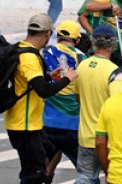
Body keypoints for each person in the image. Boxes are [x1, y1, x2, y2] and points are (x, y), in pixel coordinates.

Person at [6, 14, 79, 184]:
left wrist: (47, 75)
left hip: (28, 123)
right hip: (25, 125)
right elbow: (44, 91)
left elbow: (28, 80)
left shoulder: (20, 48)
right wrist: (67, 78)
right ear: (46, 34)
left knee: (42, 161)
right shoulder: (30, 57)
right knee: (33, 174)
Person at [74, 24, 122, 184]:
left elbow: (78, 98)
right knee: (114, 178)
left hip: (85, 136)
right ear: (113, 44)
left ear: (93, 43)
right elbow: (117, 108)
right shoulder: (114, 71)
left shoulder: (82, 65)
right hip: (108, 138)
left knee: (85, 177)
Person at [42, 20, 86, 175]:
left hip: (47, 121)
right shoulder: (82, 57)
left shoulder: (45, 51)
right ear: (77, 40)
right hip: (72, 123)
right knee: (85, 173)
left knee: (39, 171)